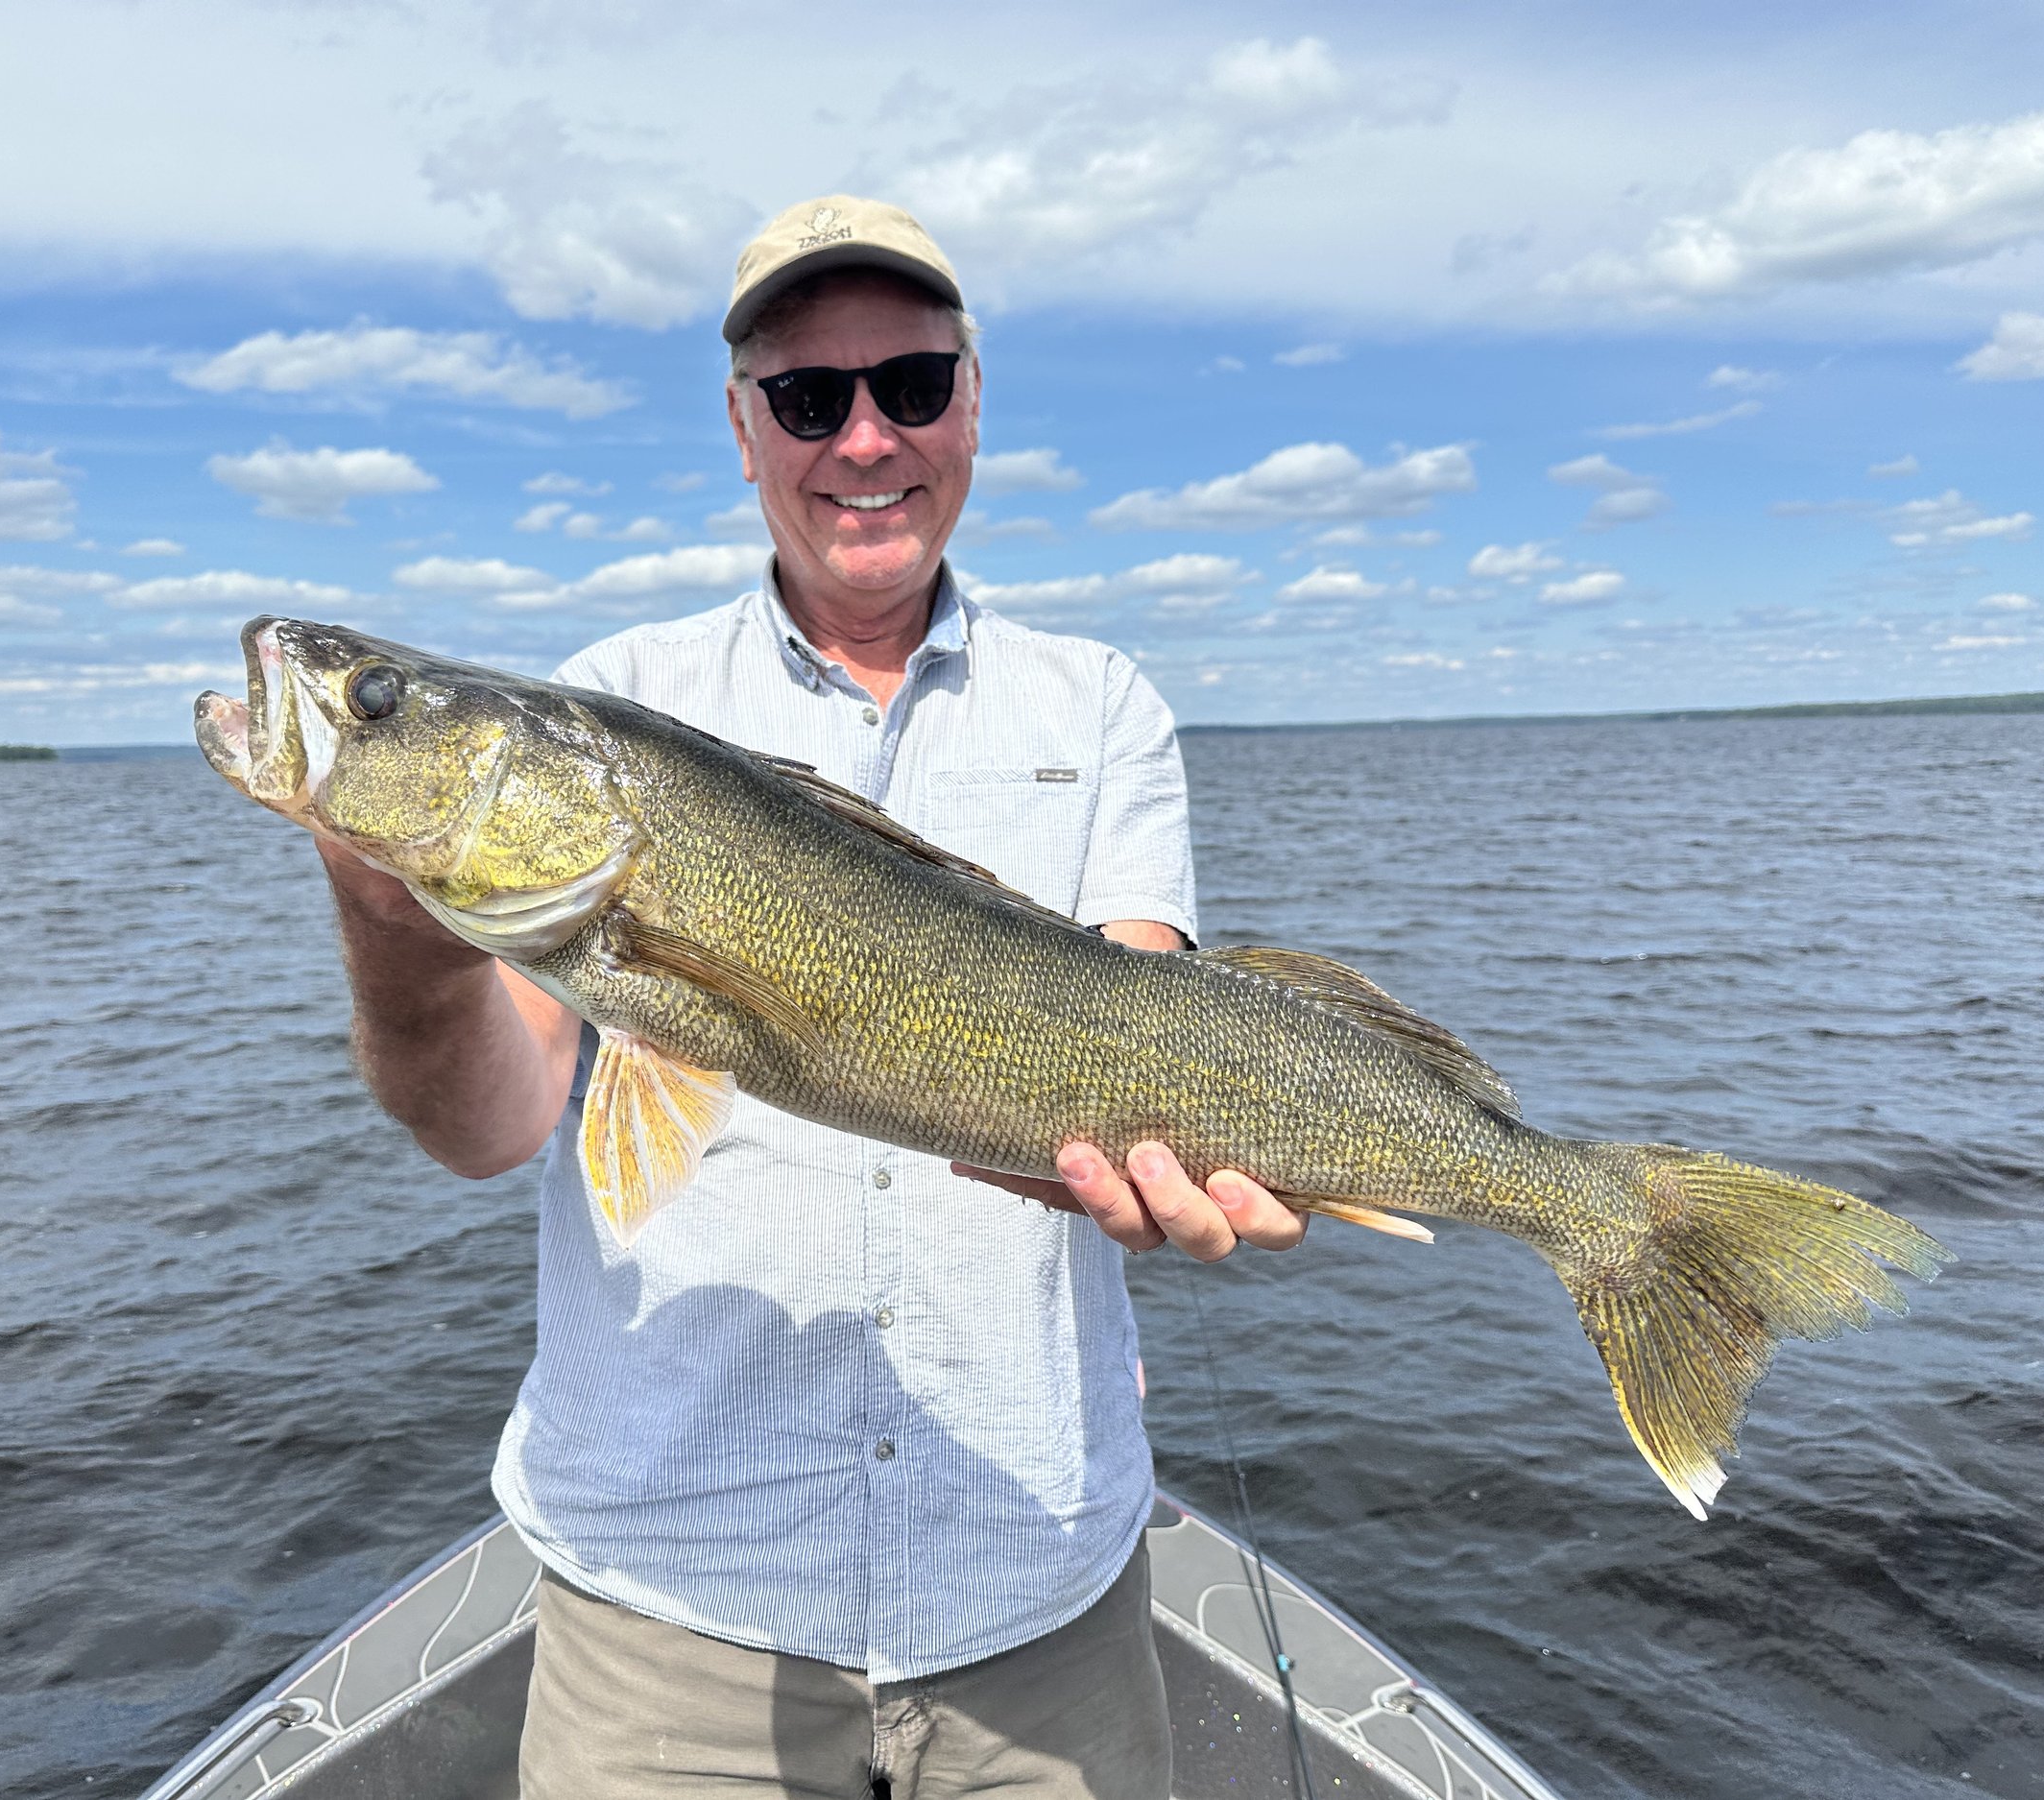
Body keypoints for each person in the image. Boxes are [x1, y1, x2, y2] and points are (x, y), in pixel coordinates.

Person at [313, 196, 1308, 1799]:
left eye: (910, 387)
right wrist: (401, 928)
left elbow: (1143, 1009)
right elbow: (494, 1126)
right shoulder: (621, 702)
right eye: (806, 397)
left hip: (1033, 1585)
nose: (864, 440)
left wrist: (1173, 1164)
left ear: (972, 403)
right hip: (672, 1604)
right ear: (741, 425)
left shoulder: (1104, 705)